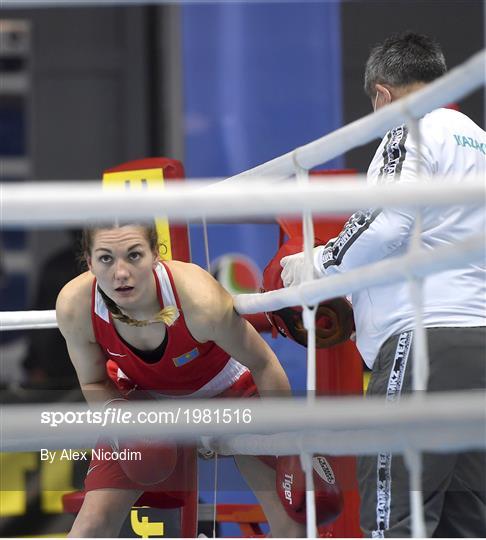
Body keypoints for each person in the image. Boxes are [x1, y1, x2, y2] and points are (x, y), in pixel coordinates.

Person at [280, 32, 486, 538]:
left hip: (421, 342)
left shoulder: (408, 126)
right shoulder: (478, 138)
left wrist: (319, 264)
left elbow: (386, 221)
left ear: (383, 94)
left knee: (393, 519)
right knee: (465, 522)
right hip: (478, 341)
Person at [56, 222, 307, 538]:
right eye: (106, 258)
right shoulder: (75, 306)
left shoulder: (198, 299)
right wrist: (125, 429)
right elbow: (93, 383)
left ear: (155, 255)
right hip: (140, 398)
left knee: (291, 521)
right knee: (90, 526)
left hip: (229, 391)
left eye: (134, 256)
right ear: (89, 262)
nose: (121, 272)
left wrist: (286, 448)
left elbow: (263, 363)